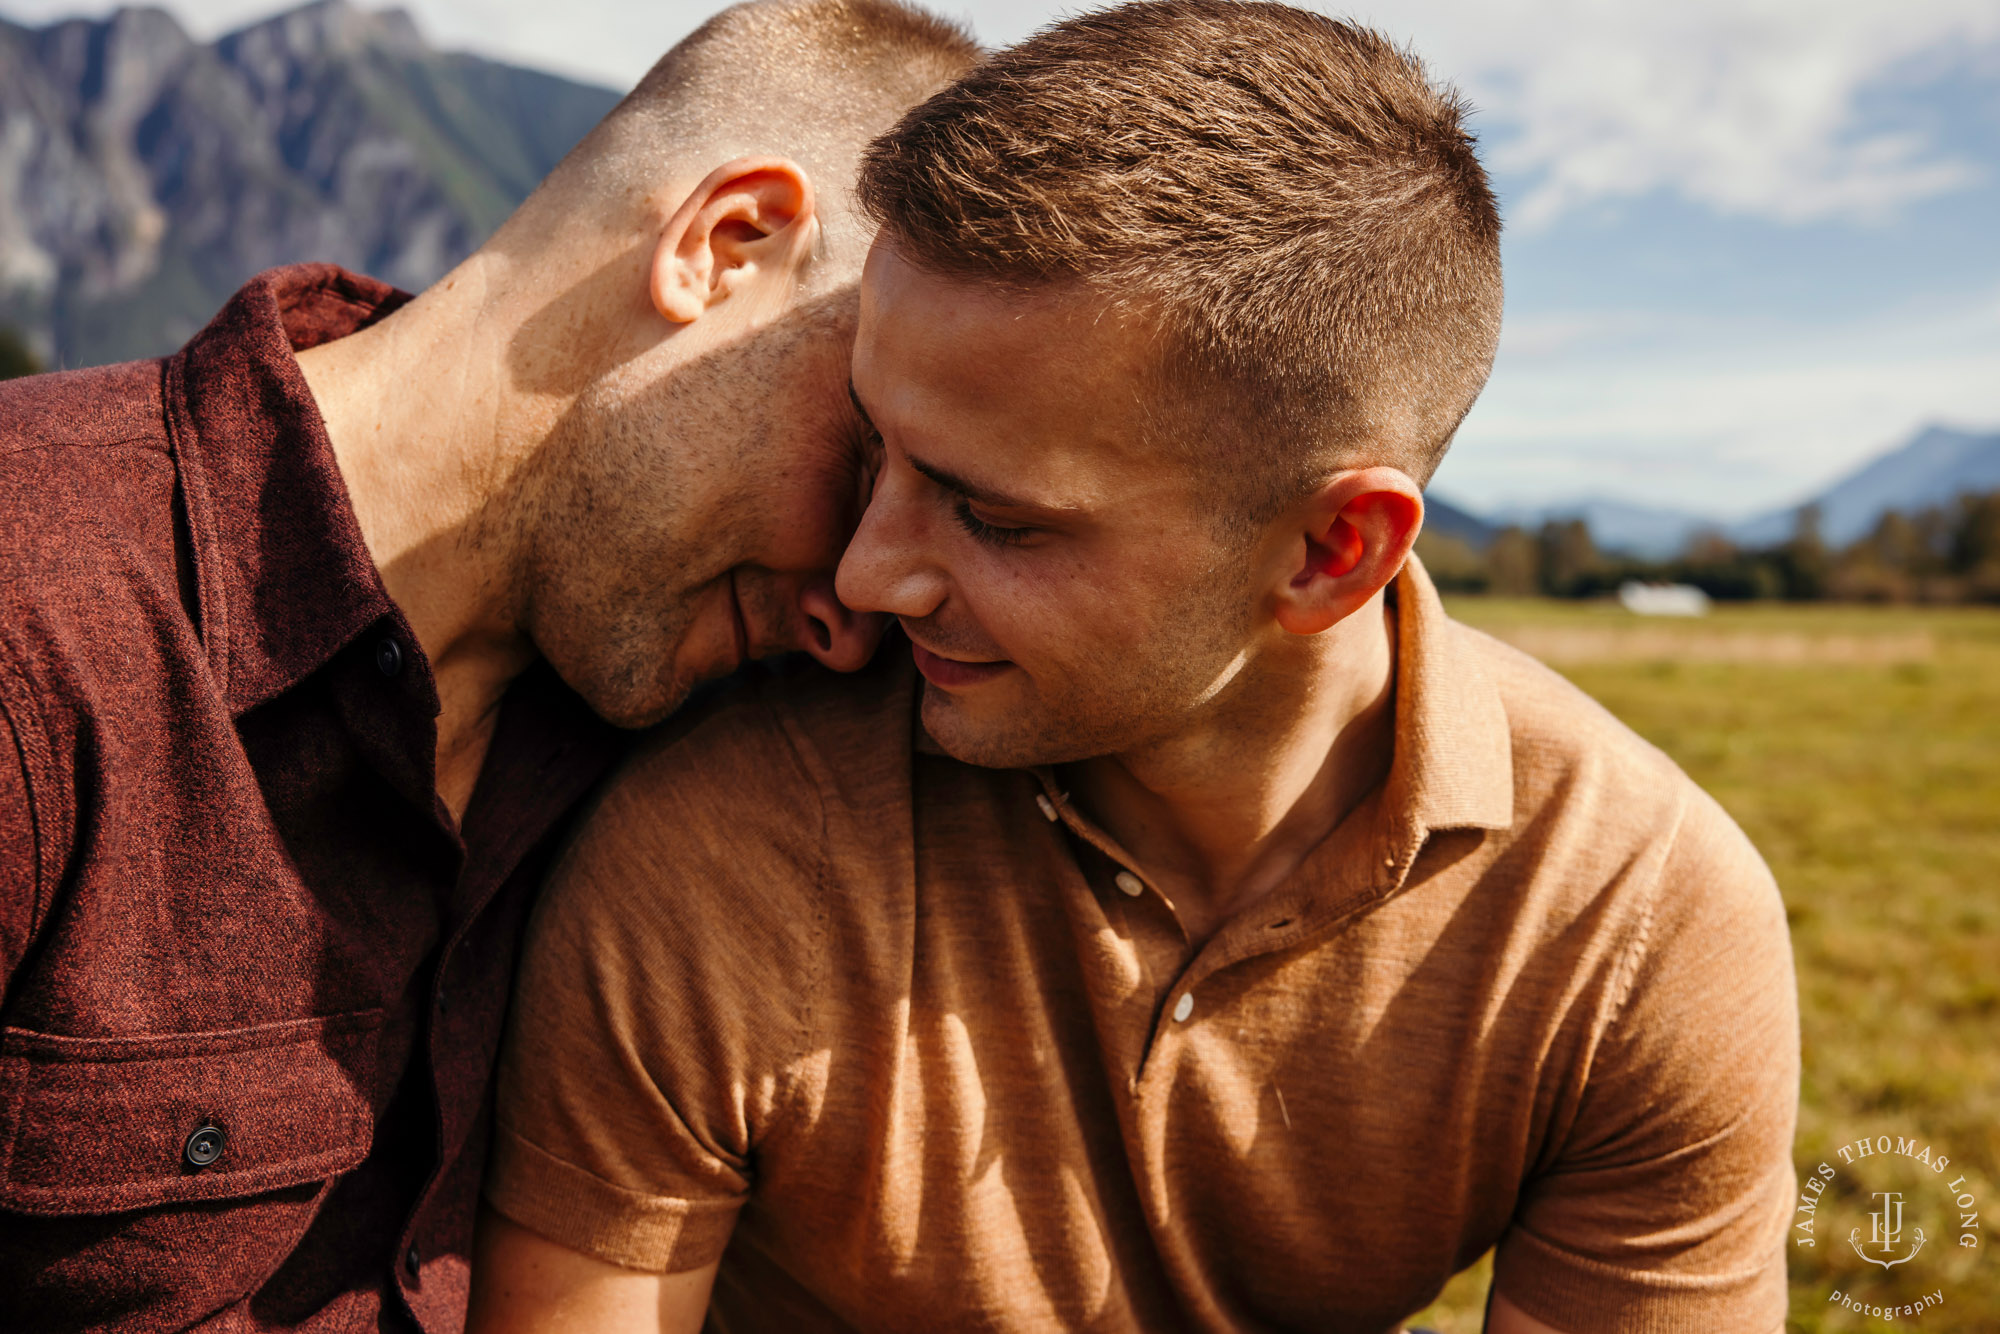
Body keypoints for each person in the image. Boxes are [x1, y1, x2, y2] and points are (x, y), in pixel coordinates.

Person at [474, 3, 1800, 1332]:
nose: (866, 577)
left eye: (995, 515)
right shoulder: (726, 845)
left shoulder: (1633, 924)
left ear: (1335, 550)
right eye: (873, 448)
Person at [0, 2, 977, 1329]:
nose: (859, 611)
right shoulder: (36, 630)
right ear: (727, 243)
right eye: (868, 462)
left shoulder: (699, 742)